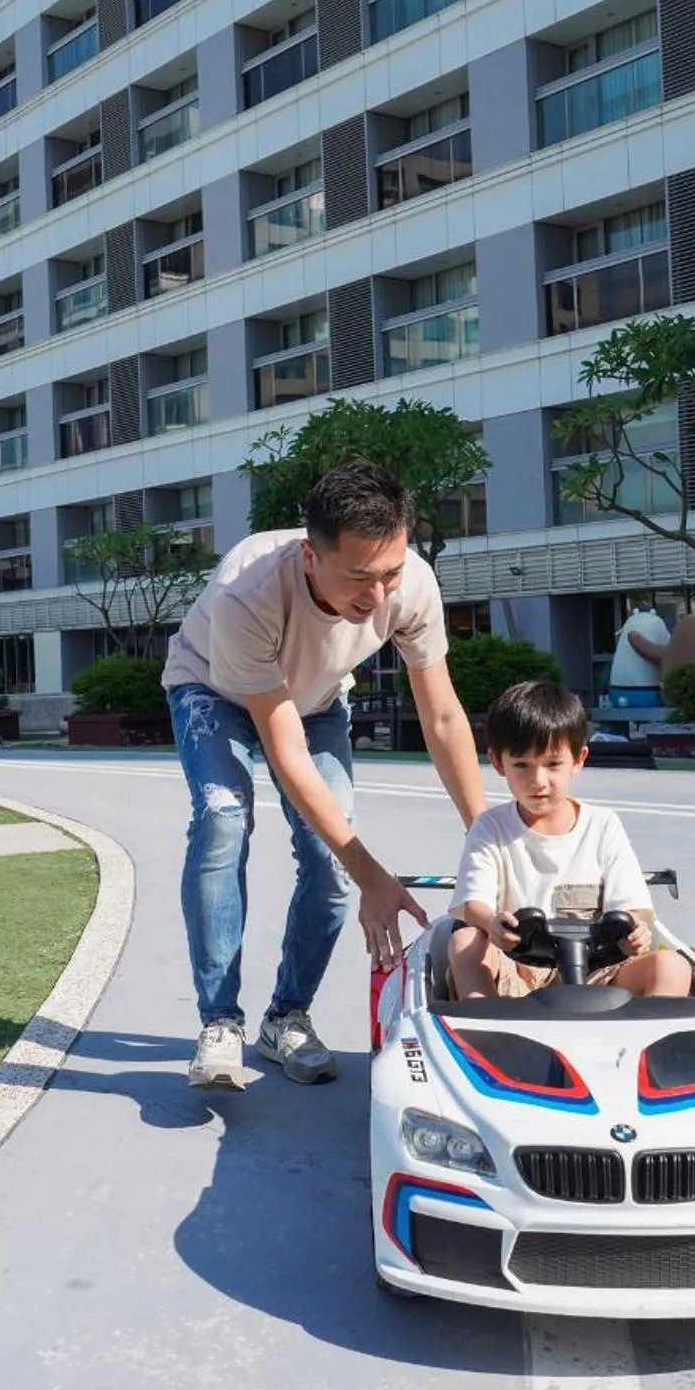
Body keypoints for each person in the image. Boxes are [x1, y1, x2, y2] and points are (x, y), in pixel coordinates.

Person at [162, 460, 486, 1090]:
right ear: (310, 555)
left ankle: (286, 1017)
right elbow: (284, 754)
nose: (377, 597)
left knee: (331, 859)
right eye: (359, 579)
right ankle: (219, 1022)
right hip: (213, 689)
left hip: (315, 702)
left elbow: (443, 717)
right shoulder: (247, 591)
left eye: (390, 573)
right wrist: (375, 875)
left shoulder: (410, 585)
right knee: (224, 819)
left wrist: (490, 837)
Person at [447, 681, 693, 1002]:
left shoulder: (602, 826)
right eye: (522, 765)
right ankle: (486, 1033)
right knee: (465, 942)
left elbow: (637, 909)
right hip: (517, 970)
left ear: (578, 760)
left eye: (552, 764)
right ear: (497, 762)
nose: (538, 782)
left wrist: (635, 931)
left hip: (596, 972)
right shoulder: (491, 828)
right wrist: (492, 922)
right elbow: (472, 903)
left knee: (672, 966)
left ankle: (649, 1043)